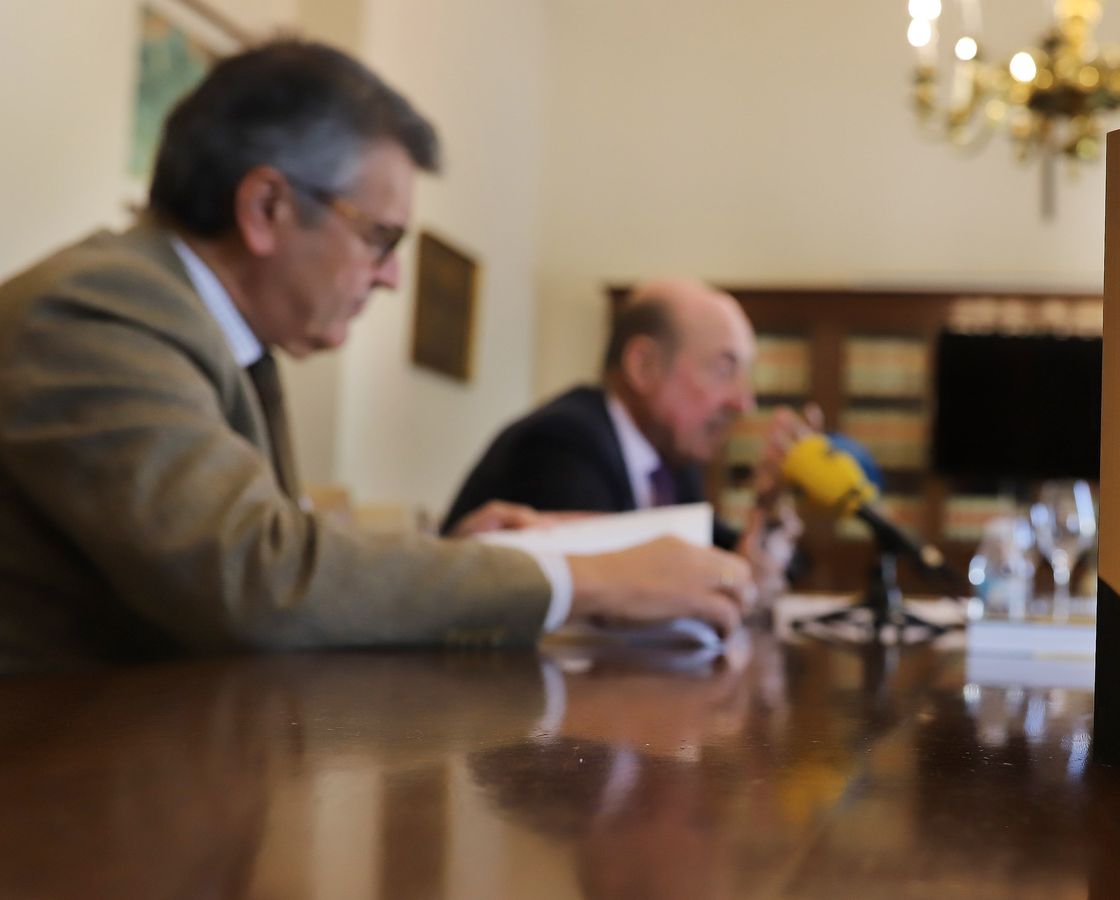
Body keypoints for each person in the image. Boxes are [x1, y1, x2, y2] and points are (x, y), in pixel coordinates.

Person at [0, 40, 753, 674]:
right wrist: (577, 579)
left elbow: (275, 563)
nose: (391, 277)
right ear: (267, 208)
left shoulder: (215, 336)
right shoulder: (95, 313)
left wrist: (449, 561)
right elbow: (257, 580)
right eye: (380, 239)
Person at [443, 279, 814, 601]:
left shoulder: (673, 465)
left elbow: (733, 562)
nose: (743, 402)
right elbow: (609, 599)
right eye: (724, 369)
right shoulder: (561, 443)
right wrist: (736, 574)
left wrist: (767, 512)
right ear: (643, 365)